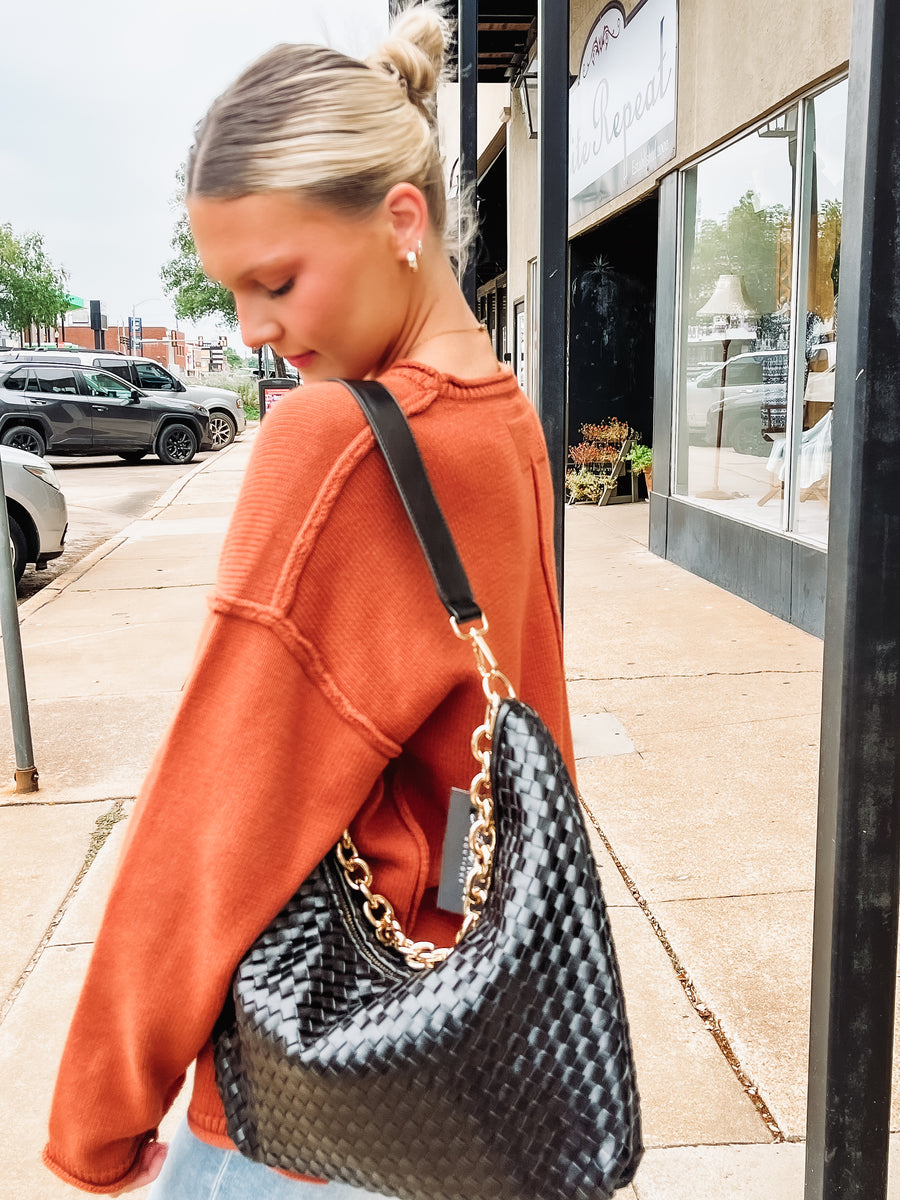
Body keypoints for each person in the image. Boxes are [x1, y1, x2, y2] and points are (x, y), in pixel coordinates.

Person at [43, 4, 575, 1196]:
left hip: (316, 1100)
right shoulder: (504, 419)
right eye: (233, 294)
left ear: (401, 220)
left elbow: (219, 811)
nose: (255, 332)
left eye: (276, 281)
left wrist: (100, 1106)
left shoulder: (341, 446)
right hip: (466, 1063)